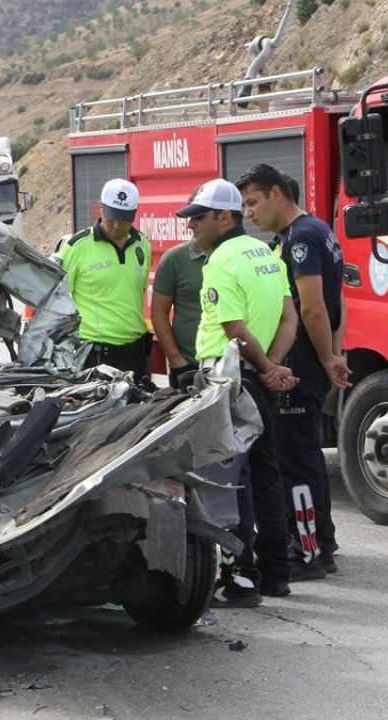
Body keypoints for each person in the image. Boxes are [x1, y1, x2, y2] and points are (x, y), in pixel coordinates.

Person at [176, 180, 299, 606]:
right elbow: (289, 318)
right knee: (266, 477)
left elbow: (234, 329)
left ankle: (241, 578)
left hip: (227, 381)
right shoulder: (266, 254)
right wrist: (274, 366)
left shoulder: (221, 263)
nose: (190, 225)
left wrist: (264, 367)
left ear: (223, 217)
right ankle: (276, 574)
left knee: (229, 482)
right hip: (256, 380)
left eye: (198, 216)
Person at [238, 164, 351, 580]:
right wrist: (337, 353)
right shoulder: (318, 229)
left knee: (293, 462)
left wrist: (324, 359)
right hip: (311, 360)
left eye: (253, 202)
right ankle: (322, 539)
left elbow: (314, 306)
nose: (249, 213)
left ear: (276, 193)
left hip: (301, 363)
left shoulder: (300, 239)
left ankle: (307, 551)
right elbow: (341, 300)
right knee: (307, 457)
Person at [56, 179, 152, 378]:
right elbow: (56, 301)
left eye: (124, 219)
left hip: (135, 352)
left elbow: (135, 295)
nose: (117, 225)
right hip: (95, 354)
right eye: (112, 217)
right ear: (100, 209)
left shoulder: (143, 245)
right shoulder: (76, 247)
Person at [150, 230, 208, 390]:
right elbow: (159, 312)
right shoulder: (174, 258)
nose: (192, 223)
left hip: (233, 365)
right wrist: (177, 361)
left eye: (200, 215)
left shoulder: (235, 256)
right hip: (188, 365)